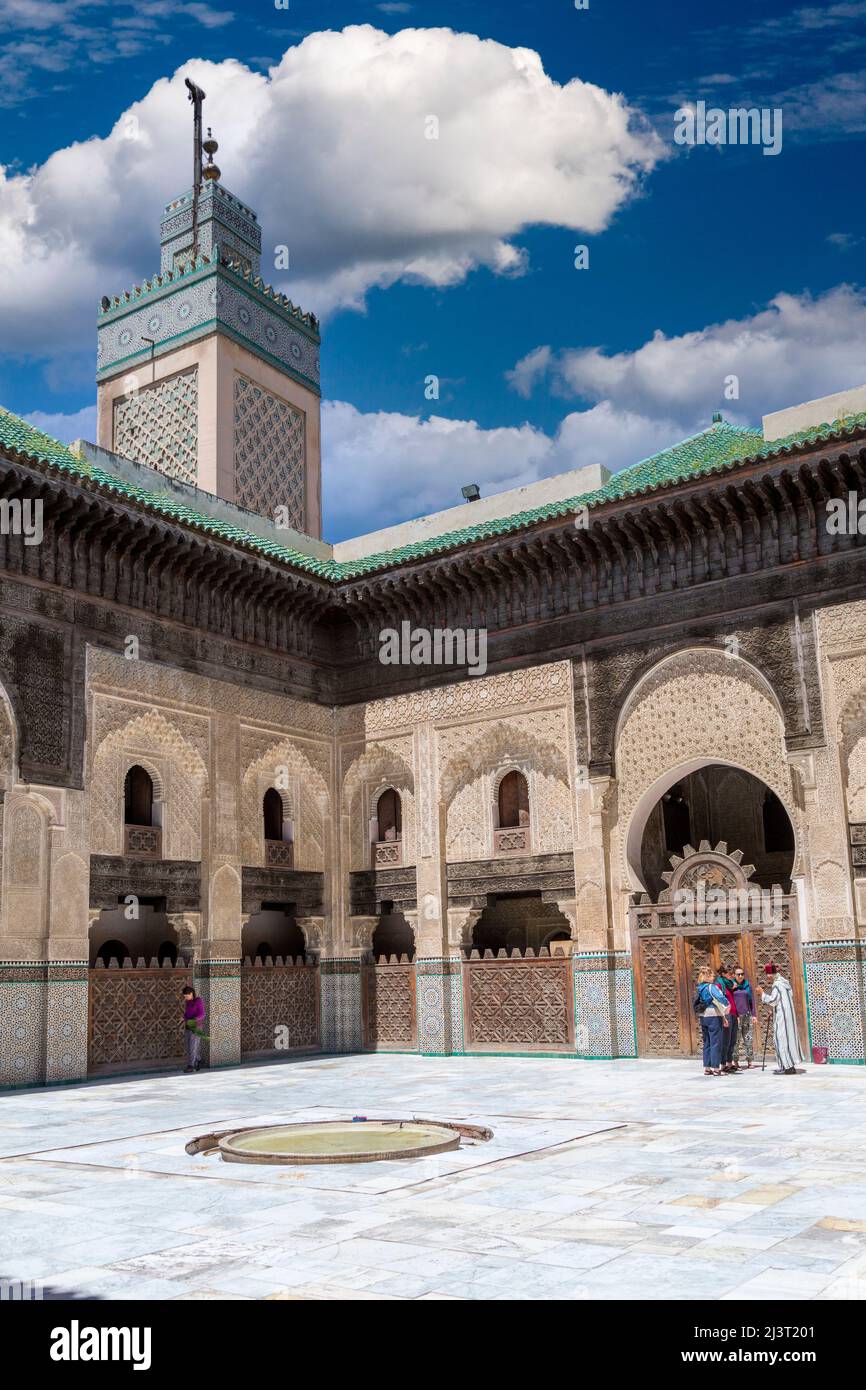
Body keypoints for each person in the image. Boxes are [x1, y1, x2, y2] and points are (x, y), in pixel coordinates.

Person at [759, 962, 805, 1075]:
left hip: (782, 1019)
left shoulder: (777, 985)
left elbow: (773, 1001)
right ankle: (790, 1066)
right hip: (786, 1016)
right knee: (788, 1040)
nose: (768, 977)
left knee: (781, 1040)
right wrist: (774, 1011)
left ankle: (787, 1067)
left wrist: (762, 993)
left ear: (771, 974)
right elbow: (781, 1001)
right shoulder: (785, 983)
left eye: (768, 974)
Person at [695, 965, 730, 1076]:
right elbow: (720, 997)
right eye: (711, 975)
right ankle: (716, 1068)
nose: (713, 977)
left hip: (703, 1015)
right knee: (716, 1041)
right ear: (707, 976)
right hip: (713, 1015)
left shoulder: (700, 987)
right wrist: (727, 1003)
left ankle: (707, 1067)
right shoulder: (711, 987)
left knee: (707, 1042)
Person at [716, 965, 740, 1073]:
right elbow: (718, 1001)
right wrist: (723, 1016)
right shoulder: (719, 984)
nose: (731, 976)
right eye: (729, 974)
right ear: (723, 974)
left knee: (732, 1040)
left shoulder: (730, 985)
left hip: (734, 1014)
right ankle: (723, 1064)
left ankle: (730, 1063)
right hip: (727, 1014)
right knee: (726, 1040)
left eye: (732, 974)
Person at [732, 965, 757, 1068]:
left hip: (747, 1015)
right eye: (738, 974)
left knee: (748, 1039)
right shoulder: (731, 986)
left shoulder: (747, 985)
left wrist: (754, 1015)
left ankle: (750, 1061)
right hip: (736, 1017)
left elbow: (752, 1001)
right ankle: (735, 1061)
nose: (741, 976)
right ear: (734, 975)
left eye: (742, 974)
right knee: (736, 1040)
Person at [181, 985, 206, 1073]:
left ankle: (190, 1066)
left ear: (191, 994)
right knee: (188, 1047)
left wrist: (194, 1020)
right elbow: (187, 1014)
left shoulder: (198, 1001)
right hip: (188, 1027)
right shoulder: (188, 1002)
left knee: (192, 1047)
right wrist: (183, 1017)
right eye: (185, 996)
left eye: (187, 996)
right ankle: (199, 1060)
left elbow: (202, 1014)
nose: (186, 998)